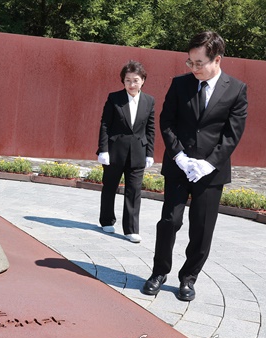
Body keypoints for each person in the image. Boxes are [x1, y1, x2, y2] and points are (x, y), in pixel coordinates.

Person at [142, 31, 248, 301]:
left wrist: (209, 164)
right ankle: (158, 272)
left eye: (199, 63)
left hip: (211, 172)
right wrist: (179, 156)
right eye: (190, 62)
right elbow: (167, 122)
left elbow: (232, 135)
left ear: (217, 60)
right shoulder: (180, 85)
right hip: (180, 166)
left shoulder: (236, 89)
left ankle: (188, 278)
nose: (193, 68)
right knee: (170, 221)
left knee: (201, 228)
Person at [97, 60, 155, 243]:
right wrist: (103, 150)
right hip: (115, 151)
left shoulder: (149, 101)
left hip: (138, 152)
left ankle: (131, 229)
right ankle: (106, 220)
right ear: (123, 81)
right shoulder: (114, 98)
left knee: (134, 190)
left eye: (135, 80)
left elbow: (150, 128)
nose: (131, 84)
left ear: (143, 80)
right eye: (128, 80)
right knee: (110, 187)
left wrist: (150, 153)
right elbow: (105, 125)